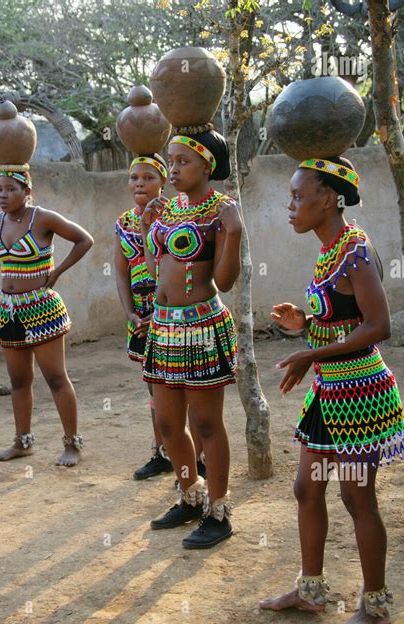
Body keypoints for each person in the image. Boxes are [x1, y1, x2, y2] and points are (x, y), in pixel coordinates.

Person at [259, 156, 404, 624]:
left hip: (360, 395)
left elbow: (378, 326)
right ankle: (310, 591)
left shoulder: (355, 250)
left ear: (328, 199)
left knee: (356, 496)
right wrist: (304, 326)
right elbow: (345, 316)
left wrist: (311, 353)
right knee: (307, 487)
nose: (291, 206)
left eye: (298, 196)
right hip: (332, 390)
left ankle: (376, 606)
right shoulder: (332, 251)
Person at [140, 124, 242, 549]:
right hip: (164, 325)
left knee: (205, 422)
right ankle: (190, 494)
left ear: (207, 164)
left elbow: (225, 280)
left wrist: (233, 233)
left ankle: (218, 511)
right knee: (166, 423)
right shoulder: (170, 209)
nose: (174, 168)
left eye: (183, 161)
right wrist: (150, 227)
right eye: (172, 160)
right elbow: (151, 271)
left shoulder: (222, 211)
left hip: (201, 326)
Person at [0, 168, 94, 466]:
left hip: (41, 309)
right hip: (8, 309)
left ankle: (72, 444)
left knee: (56, 378)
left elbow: (84, 240)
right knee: (19, 380)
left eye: (10, 189)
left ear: (27, 191)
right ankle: (22, 442)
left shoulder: (43, 218)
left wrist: (57, 272)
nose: (3, 195)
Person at [115, 154, 206, 482]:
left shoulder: (176, 215)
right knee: (156, 390)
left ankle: (198, 456)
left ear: (163, 181)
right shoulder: (124, 222)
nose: (140, 183)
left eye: (149, 177)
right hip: (140, 319)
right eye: (134, 177)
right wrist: (129, 314)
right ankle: (164, 452)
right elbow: (121, 272)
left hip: (173, 314)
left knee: (187, 388)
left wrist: (160, 312)